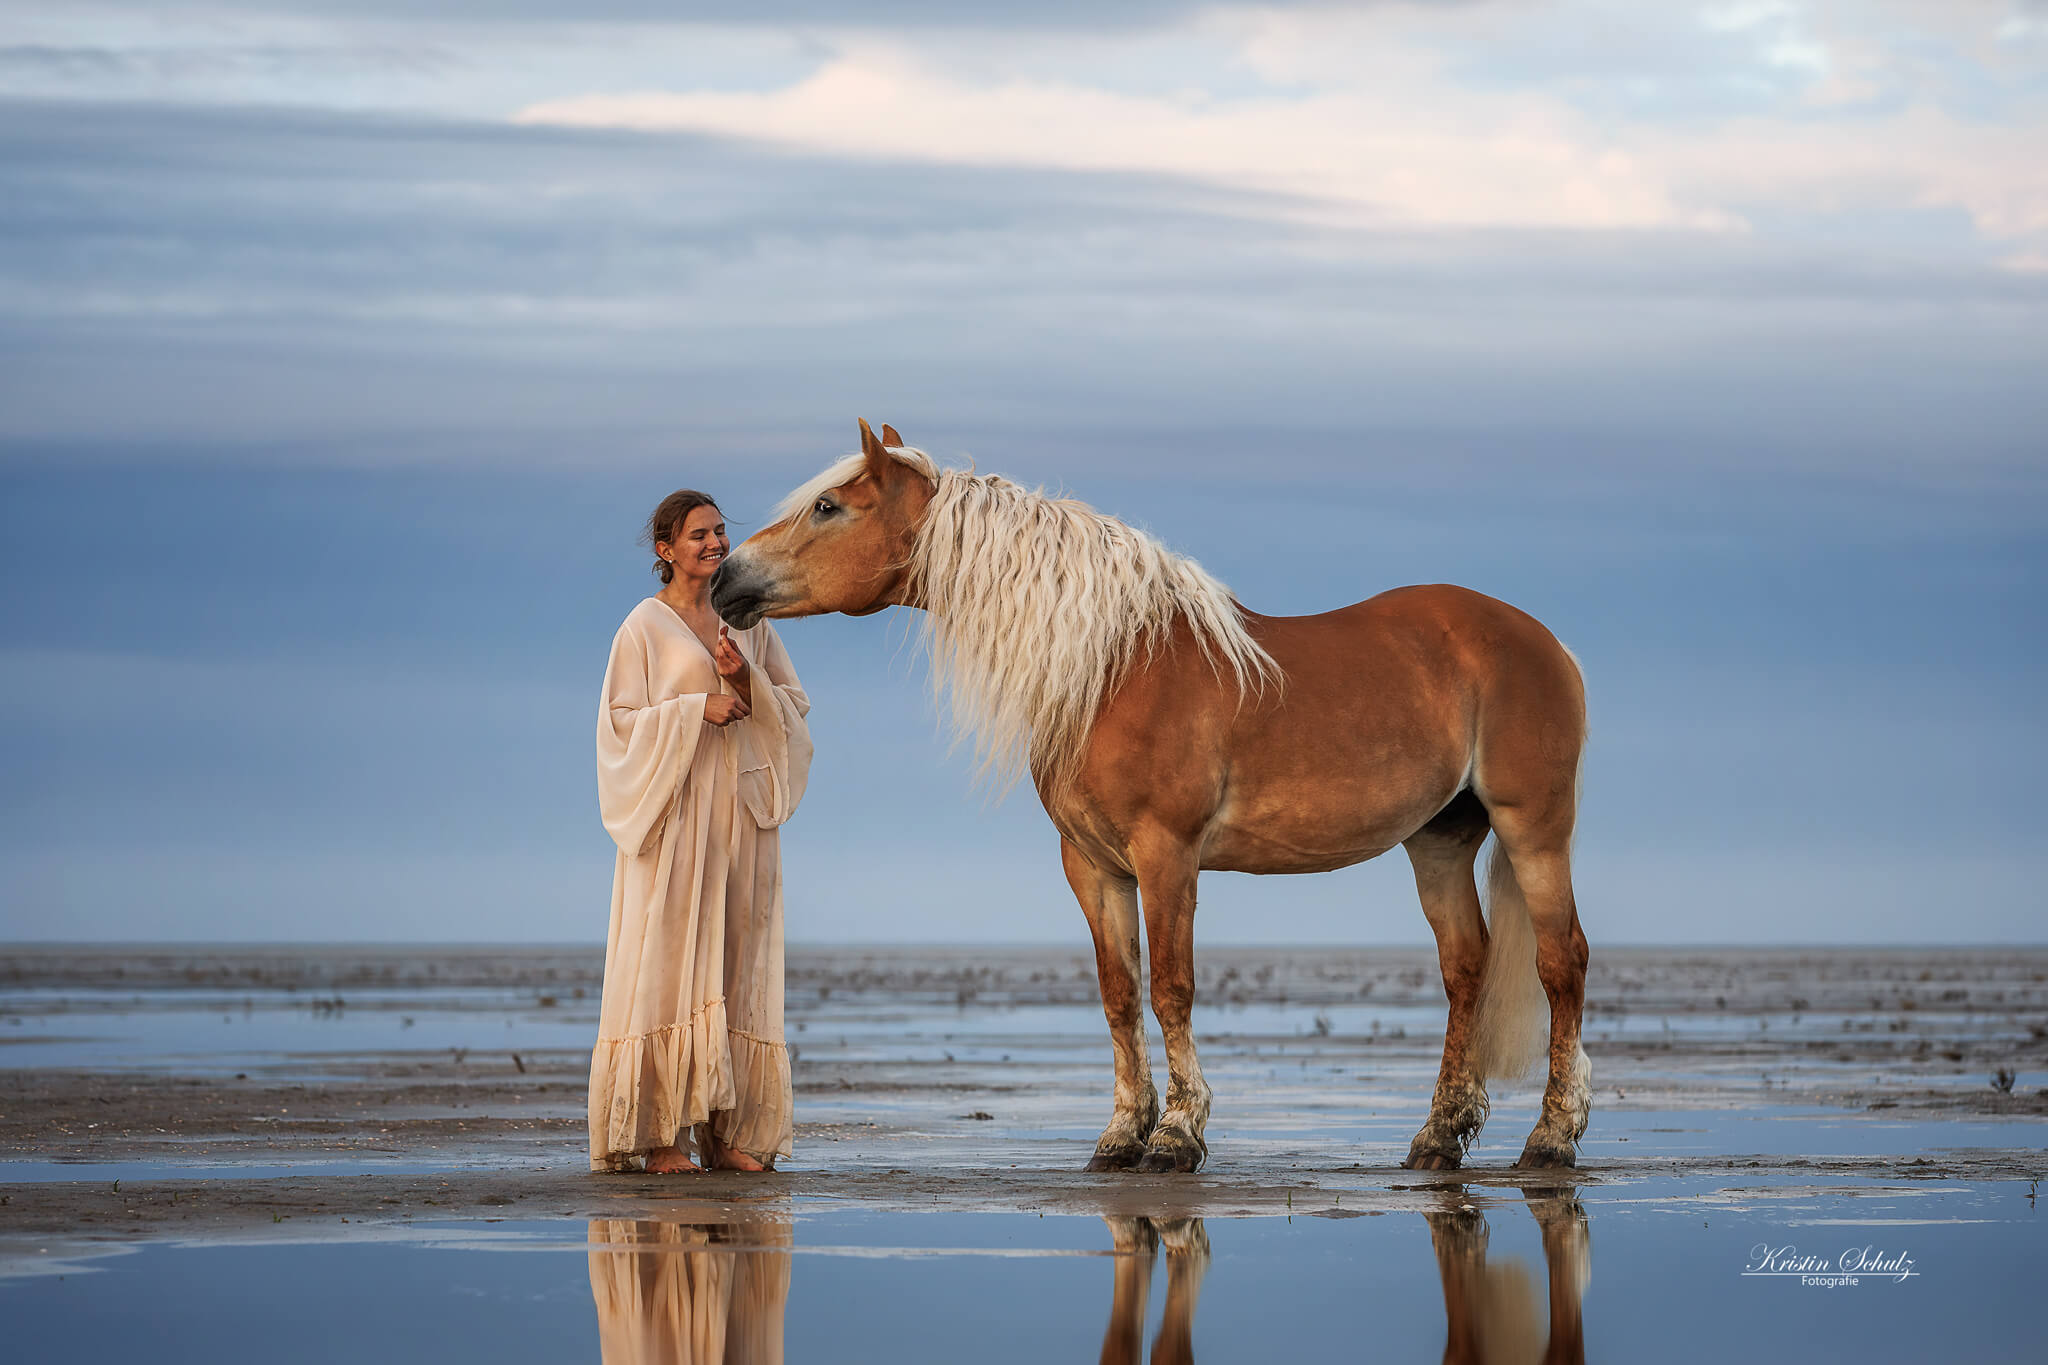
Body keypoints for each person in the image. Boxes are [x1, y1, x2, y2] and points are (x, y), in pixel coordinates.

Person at [589, 490, 812, 1174]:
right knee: (667, 962)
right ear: (665, 549)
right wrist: (695, 706)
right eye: (698, 535)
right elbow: (619, 726)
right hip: (677, 817)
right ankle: (660, 1138)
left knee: (736, 962)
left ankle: (727, 1132)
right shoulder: (642, 629)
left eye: (719, 531)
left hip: (738, 818)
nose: (715, 543)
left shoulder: (746, 618)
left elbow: (793, 706)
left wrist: (745, 679)